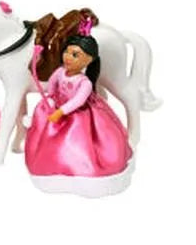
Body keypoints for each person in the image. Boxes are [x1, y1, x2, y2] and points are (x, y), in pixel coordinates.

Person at [25, 27, 133, 197]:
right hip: (58, 107)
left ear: (89, 60)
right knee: (45, 132)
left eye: (75, 55)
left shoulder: (85, 83)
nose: (68, 57)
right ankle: (48, 164)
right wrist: (50, 97)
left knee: (79, 141)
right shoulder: (60, 72)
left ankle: (82, 169)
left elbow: (78, 101)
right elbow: (52, 84)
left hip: (78, 115)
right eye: (67, 52)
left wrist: (61, 112)